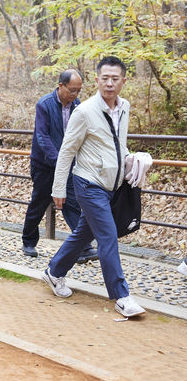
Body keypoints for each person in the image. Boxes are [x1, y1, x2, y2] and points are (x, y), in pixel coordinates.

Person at [44, 56, 146, 318]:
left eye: (115, 79)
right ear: (97, 80)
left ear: (124, 80)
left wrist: (130, 159)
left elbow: (118, 143)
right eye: (104, 78)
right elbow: (67, 151)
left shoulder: (124, 107)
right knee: (108, 236)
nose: (109, 84)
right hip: (88, 184)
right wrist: (59, 189)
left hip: (111, 184)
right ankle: (121, 296)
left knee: (83, 234)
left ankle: (54, 272)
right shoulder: (84, 111)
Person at [22, 70, 97, 263]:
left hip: (68, 165)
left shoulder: (77, 106)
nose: (75, 95)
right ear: (61, 85)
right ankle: (28, 242)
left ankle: (83, 247)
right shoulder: (45, 104)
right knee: (39, 202)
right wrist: (59, 160)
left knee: (71, 203)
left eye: (79, 91)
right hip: (45, 164)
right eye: (72, 90)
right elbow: (42, 136)